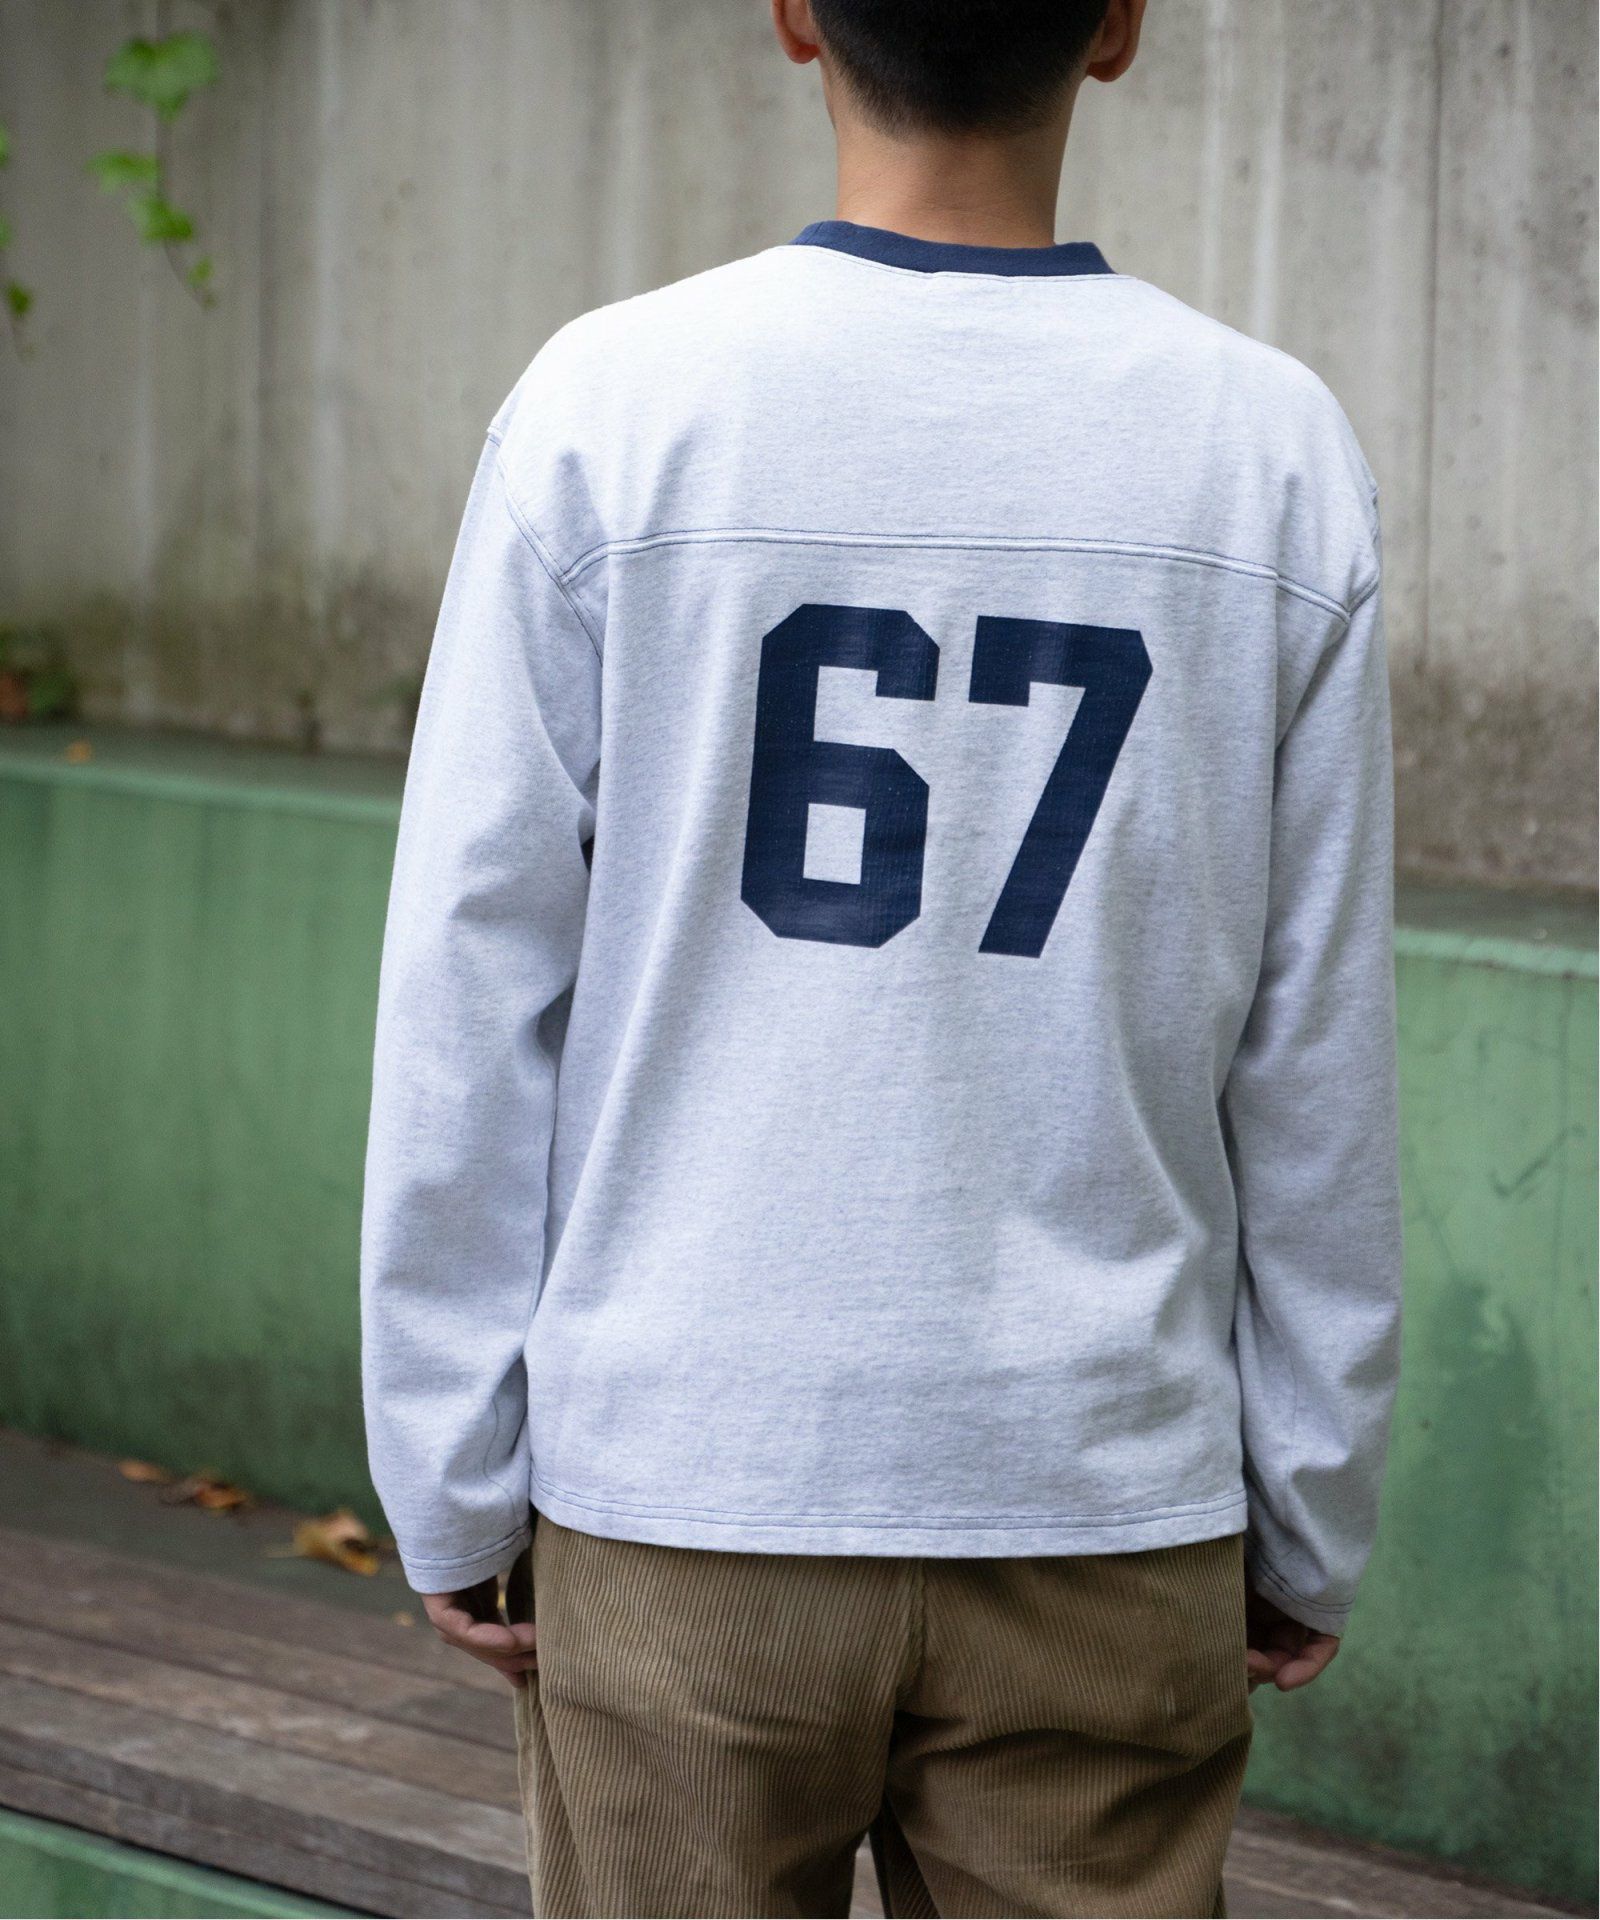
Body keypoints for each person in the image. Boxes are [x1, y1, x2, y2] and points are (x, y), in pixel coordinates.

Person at [360, 0, 1402, 1912]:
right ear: (1115, 27)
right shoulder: (1269, 450)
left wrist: (451, 1465)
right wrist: (1308, 1496)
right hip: (1105, 1499)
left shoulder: (611, 408)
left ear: (792, 15)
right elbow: (1314, 1042)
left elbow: (470, 978)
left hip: (685, 1485)